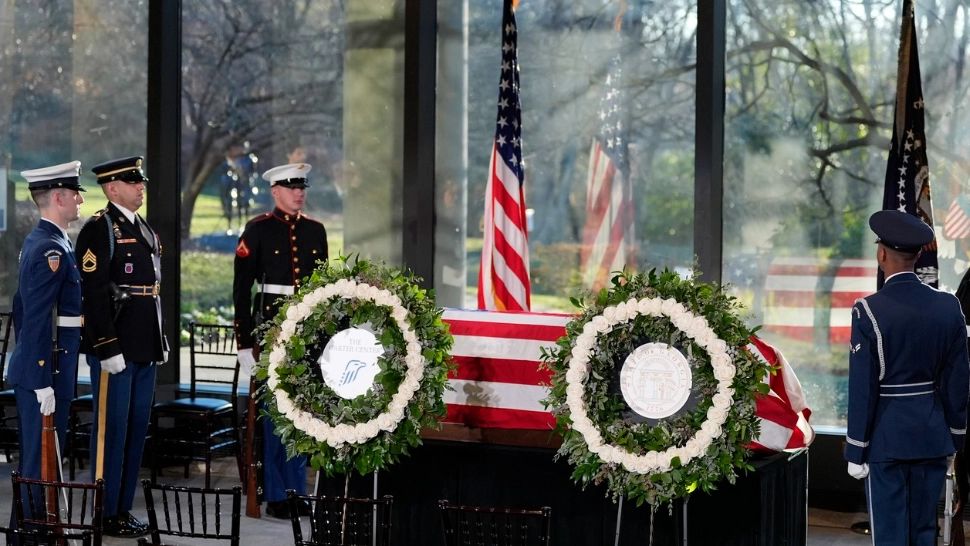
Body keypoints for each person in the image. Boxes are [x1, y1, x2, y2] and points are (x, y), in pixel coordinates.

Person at [844, 209, 970, 545]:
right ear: (917, 256)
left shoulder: (868, 311)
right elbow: (958, 384)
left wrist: (856, 449)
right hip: (932, 436)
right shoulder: (948, 308)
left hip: (887, 439)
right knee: (923, 532)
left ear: (881, 254)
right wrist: (956, 437)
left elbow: (863, 389)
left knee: (890, 535)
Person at [75, 155, 168, 538]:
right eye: (134, 183)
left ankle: (121, 508)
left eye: (141, 182)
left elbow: (152, 292)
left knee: (134, 430)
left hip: (144, 345)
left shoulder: (142, 227)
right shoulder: (100, 229)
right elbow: (93, 294)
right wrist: (107, 347)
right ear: (113, 189)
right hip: (116, 349)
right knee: (111, 430)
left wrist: (158, 340)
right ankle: (103, 509)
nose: (141, 187)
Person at [233, 162, 328, 518]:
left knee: (302, 414)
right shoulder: (258, 230)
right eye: (292, 187)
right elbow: (242, 290)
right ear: (276, 191)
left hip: (308, 334)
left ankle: (298, 489)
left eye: (302, 186)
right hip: (272, 332)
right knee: (275, 417)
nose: (299, 192)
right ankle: (276, 494)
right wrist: (244, 343)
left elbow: (323, 287)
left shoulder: (316, 231)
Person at [6, 161, 85, 530]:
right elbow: (35, 317)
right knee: (40, 464)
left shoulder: (50, 241)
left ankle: (34, 534)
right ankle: (35, 536)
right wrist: (40, 378)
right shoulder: (48, 250)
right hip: (45, 370)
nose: (80, 199)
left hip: (51, 365)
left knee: (43, 461)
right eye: (74, 193)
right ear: (58, 197)